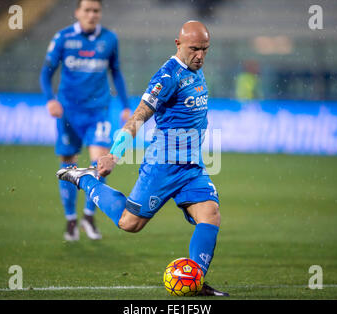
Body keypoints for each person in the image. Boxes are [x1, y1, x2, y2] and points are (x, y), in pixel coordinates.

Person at [57, 20, 229, 296]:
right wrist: (114, 154)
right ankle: (87, 180)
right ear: (178, 44)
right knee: (130, 223)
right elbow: (139, 116)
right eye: (194, 49)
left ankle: (194, 280)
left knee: (210, 214)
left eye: (205, 49)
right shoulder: (167, 76)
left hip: (192, 167)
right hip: (162, 165)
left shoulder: (197, 70)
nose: (200, 55)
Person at [40, 0, 131, 241]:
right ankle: (71, 220)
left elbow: (117, 72)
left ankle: (89, 217)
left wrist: (125, 106)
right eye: (87, 10)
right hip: (68, 113)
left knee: (99, 164)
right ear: (77, 13)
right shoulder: (63, 37)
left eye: (96, 11)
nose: (92, 15)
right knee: (68, 168)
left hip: (97, 111)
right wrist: (51, 99)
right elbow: (46, 73)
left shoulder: (109, 39)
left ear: (100, 13)